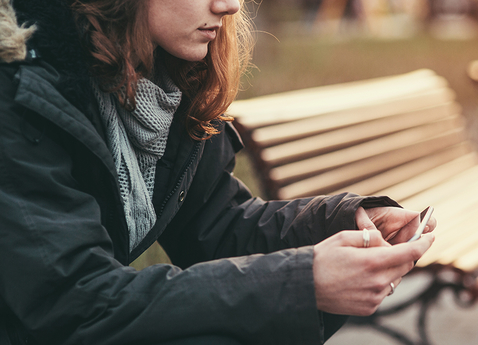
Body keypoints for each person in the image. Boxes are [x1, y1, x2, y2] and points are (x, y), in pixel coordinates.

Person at [0, 0, 436, 344]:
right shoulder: (18, 93)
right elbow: (76, 302)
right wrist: (302, 281)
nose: (229, 6)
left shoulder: (160, 85)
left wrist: (345, 222)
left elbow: (218, 227)